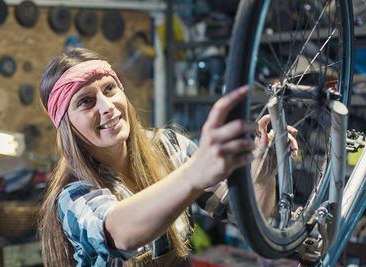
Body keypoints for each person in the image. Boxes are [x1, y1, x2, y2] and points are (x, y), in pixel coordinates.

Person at [38, 48, 298, 267]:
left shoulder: (168, 146)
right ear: (66, 124)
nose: (107, 107)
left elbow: (246, 217)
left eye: (109, 88)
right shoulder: (73, 197)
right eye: (85, 101)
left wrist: (264, 171)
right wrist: (194, 174)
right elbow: (119, 233)